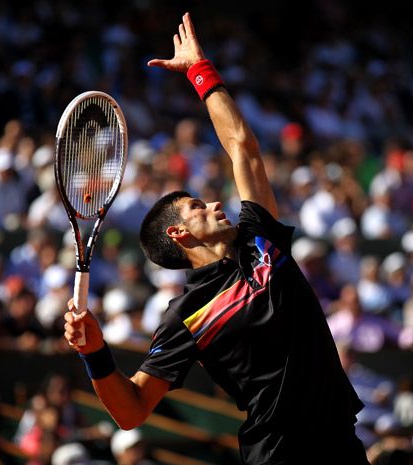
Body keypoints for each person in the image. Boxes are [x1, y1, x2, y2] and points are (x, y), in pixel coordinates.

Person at [64, 13, 369, 464]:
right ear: (179, 233)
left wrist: (198, 71)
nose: (215, 205)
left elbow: (242, 146)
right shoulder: (186, 315)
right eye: (197, 207)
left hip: (343, 447)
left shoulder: (259, 239)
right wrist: (95, 353)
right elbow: (131, 410)